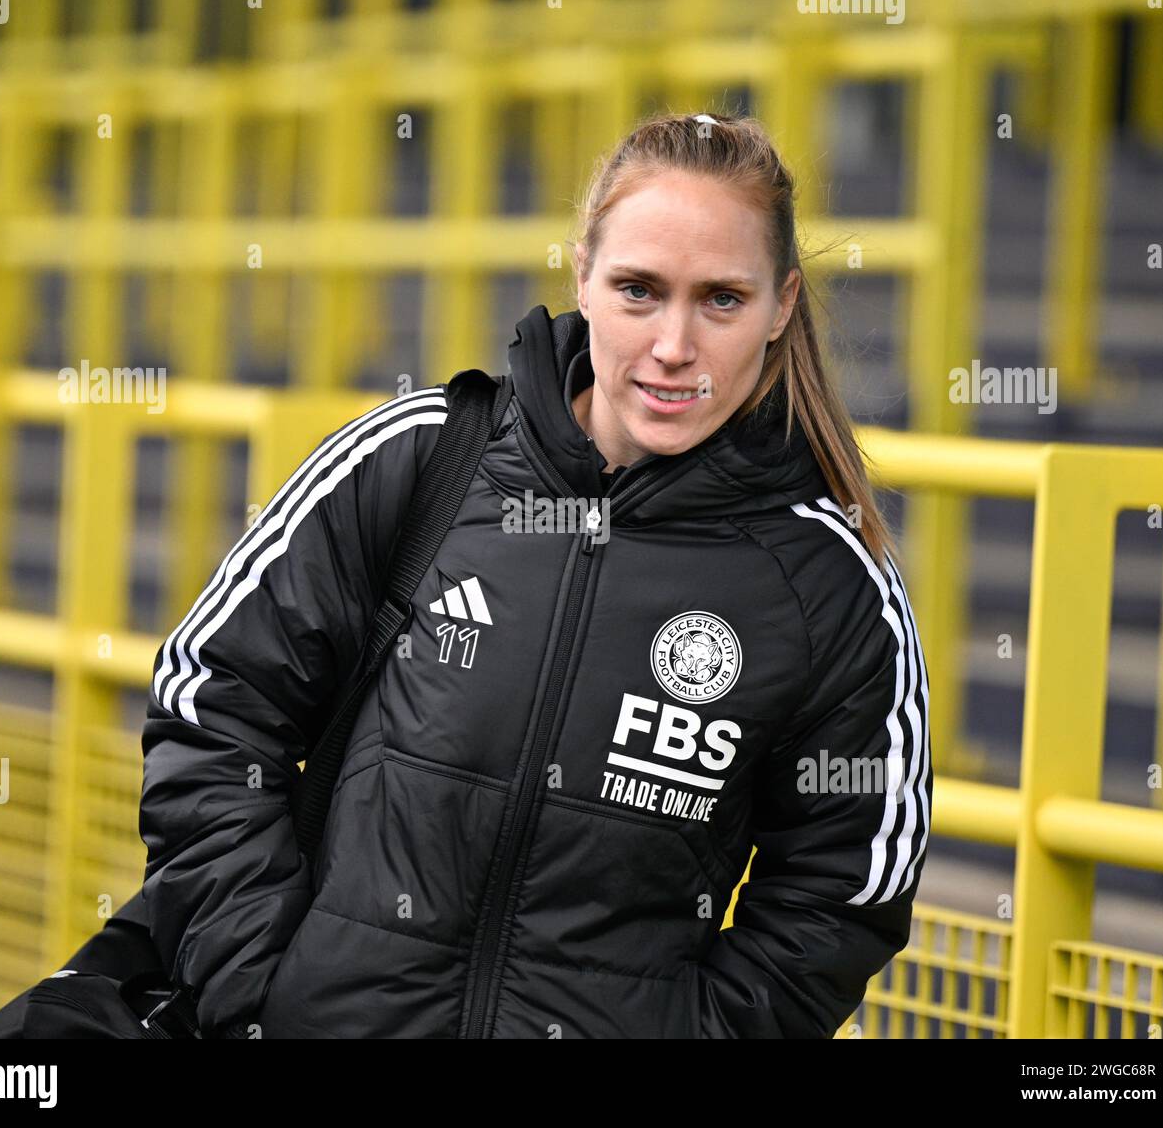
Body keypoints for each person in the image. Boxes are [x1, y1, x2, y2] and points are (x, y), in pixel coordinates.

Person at [138, 109, 933, 1039]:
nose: (675, 345)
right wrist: (265, 989)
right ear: (582, 277)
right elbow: (212, 702)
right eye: (640, 290)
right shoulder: (422, 462)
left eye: (722, 299)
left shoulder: (830, 591)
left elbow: (842, 891)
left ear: (783, 306)